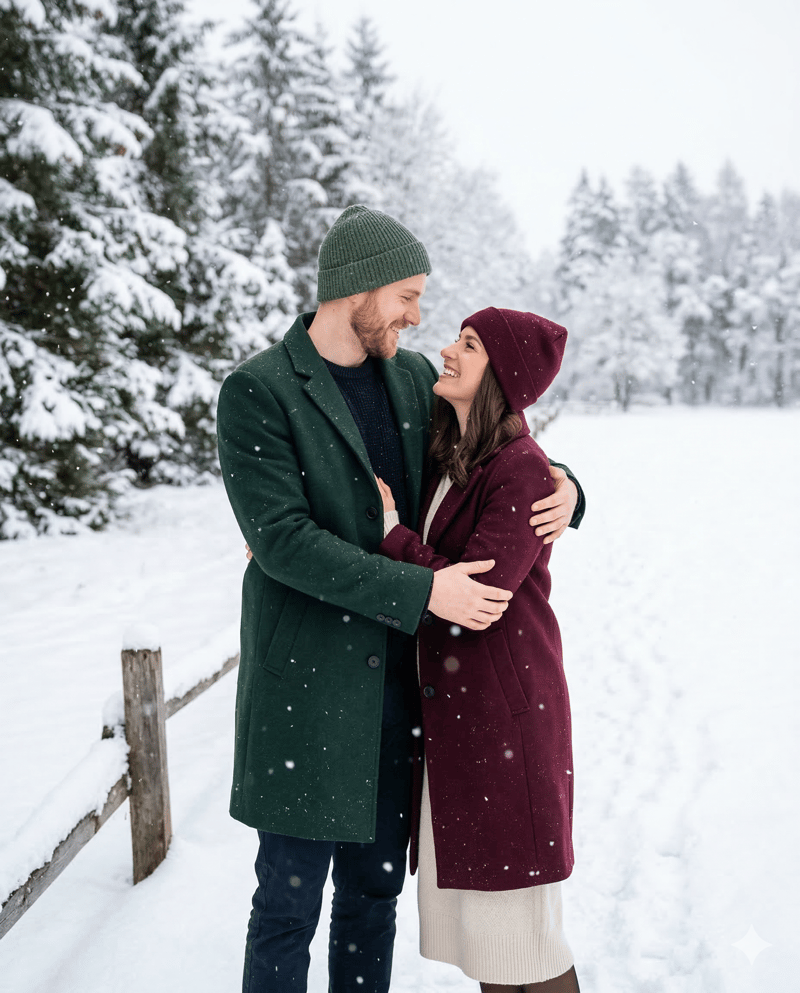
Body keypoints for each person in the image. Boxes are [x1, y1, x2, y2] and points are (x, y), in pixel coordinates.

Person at [216, 204, 585, 993]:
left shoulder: (413, 379)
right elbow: (285, 541)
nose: (418, 318)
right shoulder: (258, 390)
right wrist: (426, 586)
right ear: (358, 287)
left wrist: (568, 487)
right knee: (286, 908)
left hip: (400, 694)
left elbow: (497, 450)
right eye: (408, 296)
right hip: (307, 694)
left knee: (371, 901)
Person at [376, 307, 580, 993]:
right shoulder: (452, 453)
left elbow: (482, 596)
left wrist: (393, 535)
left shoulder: (520, 469)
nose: (447, 350)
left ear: (502, 373)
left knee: (527, 946)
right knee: (492, 947)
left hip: (504, 726)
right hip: (462, 726)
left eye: (468, 344)